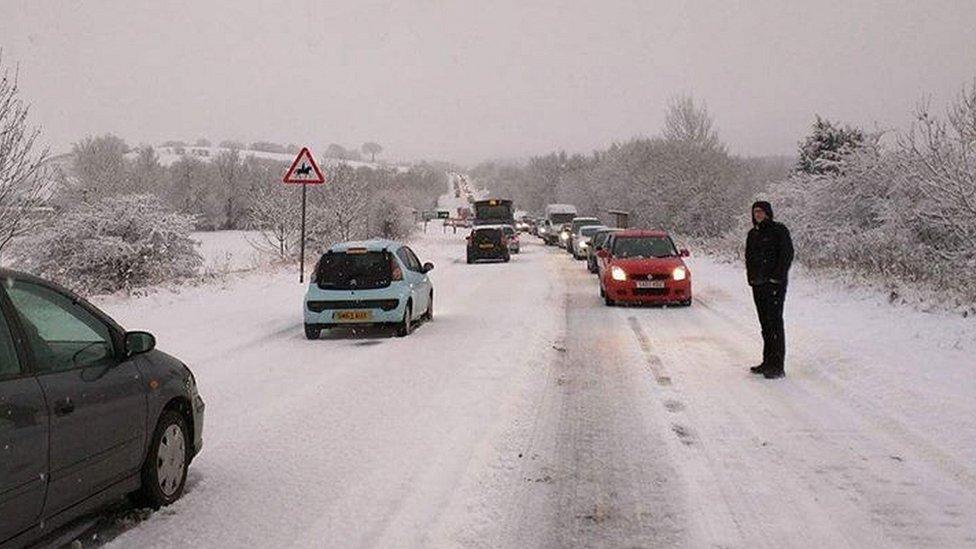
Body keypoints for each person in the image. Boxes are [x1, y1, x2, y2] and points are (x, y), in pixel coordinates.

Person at [745, 201, 794, 379]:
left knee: (775, 323)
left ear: (768, 213)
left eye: (761, 211)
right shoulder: (753, 234)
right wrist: (751, 278)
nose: (758, 214)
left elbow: (787, 254)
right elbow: (749, 257)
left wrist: (777, 277)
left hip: (774, 284)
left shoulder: (779, 230)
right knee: (764, 323)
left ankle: (777, 365)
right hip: (758, 284)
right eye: (755, 211)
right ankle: (767, 361)